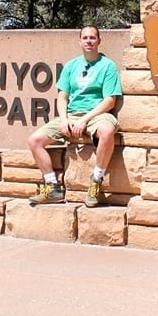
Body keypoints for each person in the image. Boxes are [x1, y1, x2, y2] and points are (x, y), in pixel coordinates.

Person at [27, 25, 122, 207]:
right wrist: (63, 120)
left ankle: (96, 181)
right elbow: (62, 96)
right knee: (35, 140)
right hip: (71, 114)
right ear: (79, 41)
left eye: (92, 38)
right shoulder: (71, 66)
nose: (88, 41)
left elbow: (110, 100)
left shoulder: (108, 66)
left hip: (97, 114)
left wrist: (84, 120)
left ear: (99, 41)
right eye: (85, 38)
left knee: (107, 131)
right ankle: (52, 188)